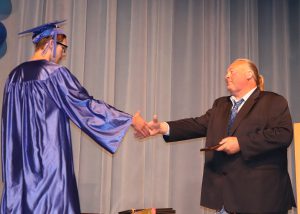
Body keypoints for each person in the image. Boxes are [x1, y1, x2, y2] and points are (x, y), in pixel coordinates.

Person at [1, 20, 149, 213]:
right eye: (63, 47)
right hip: (49, 166)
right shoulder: (54, 74)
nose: (64, 53)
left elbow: (7, 126)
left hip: (19, 171)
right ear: (50, 44)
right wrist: (128, 119)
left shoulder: (13, 77)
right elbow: (85, 104)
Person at [141, 59, 296, 213]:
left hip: (261, 199)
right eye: (226, 72)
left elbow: (283, 134)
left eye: (231, 71)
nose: (226, 76)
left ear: (249, 75)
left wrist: (241, 143)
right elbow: (197, 124)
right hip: (226, 200)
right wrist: (162, 127)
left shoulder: (273, 101)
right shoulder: (221, 105)